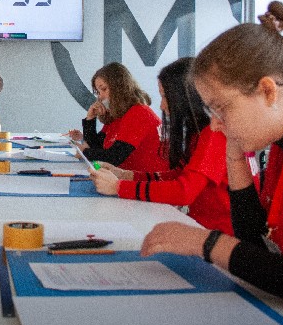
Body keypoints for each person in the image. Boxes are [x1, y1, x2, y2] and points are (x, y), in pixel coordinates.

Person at [140, 8, 283, 325]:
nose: (215, 125)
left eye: (220, 108)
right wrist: (235, 158)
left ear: (267, 91)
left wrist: (204, 243)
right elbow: (257, 244)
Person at [89, 58, 233, 234]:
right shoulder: (198, 133)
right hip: (200, 225)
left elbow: (184, 191)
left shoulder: (214, 134)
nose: (162, 105)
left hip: (217, 232)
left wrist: (119, 186)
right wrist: (125, 175)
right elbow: (177, 174)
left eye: (165, 97)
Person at [68, 62, 165, 171]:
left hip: (147, 178)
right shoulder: (118, 115)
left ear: (119, 87)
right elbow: (96, 146)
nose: (100, 97)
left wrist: (84, 152)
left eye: (104, 89)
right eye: (98, 92)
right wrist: (90, 119)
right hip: (128, 176)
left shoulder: (139, 112)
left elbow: (114, 157)